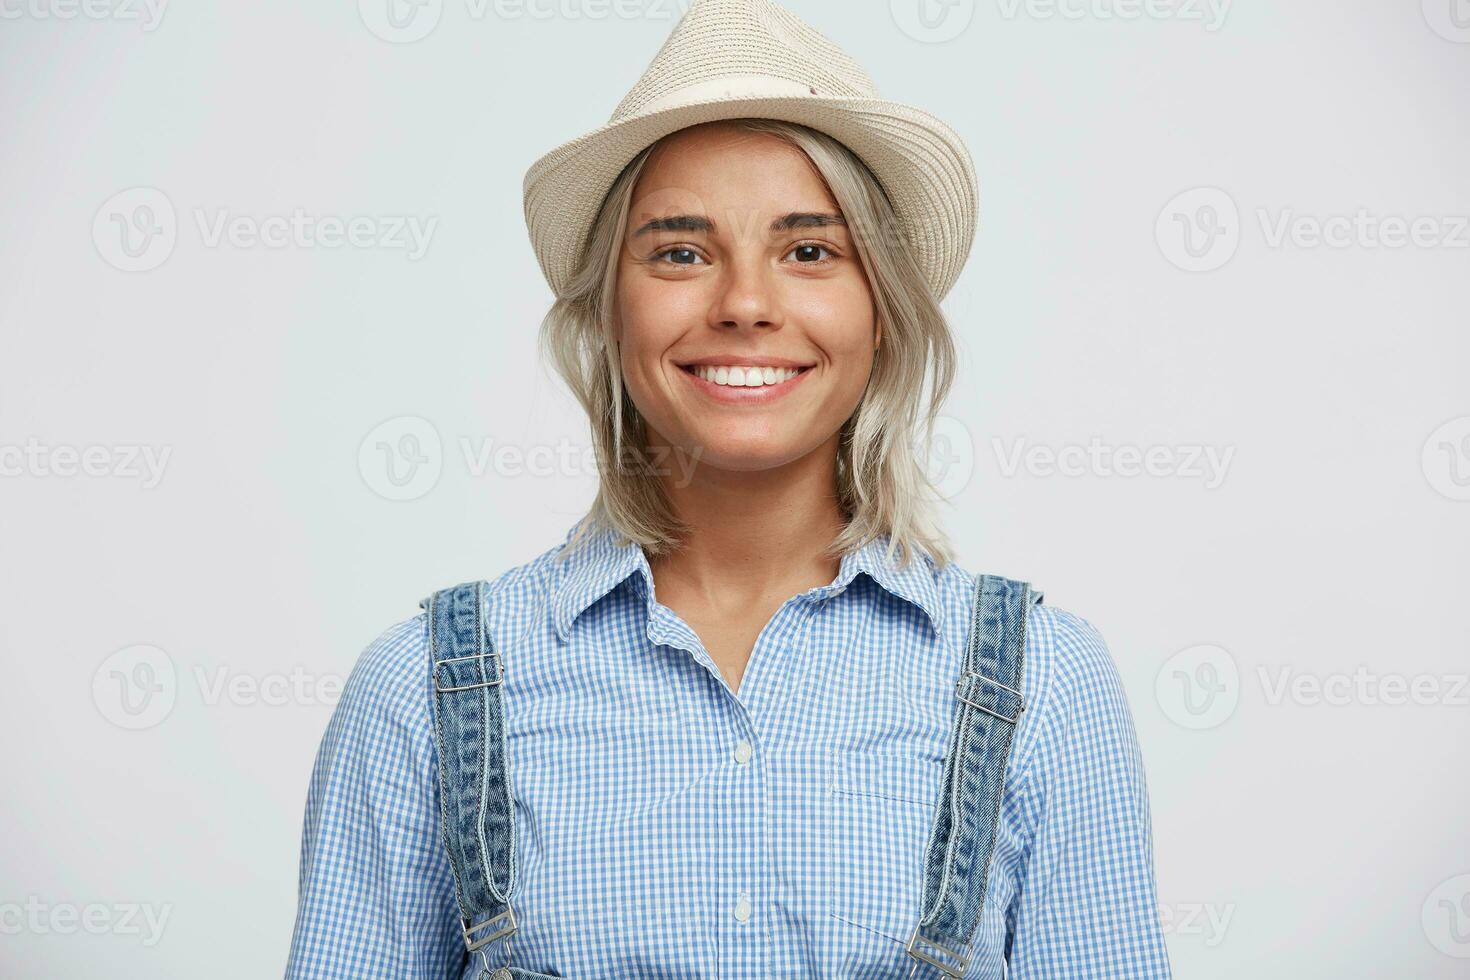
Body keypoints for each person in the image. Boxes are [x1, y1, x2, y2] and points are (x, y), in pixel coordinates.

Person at [285, 1, 1172, 977]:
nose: (746, 303)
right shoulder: (425, 691)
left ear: (882, 308)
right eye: (680, 251)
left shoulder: (1041, 684)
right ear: (607, 311)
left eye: (808, 250)